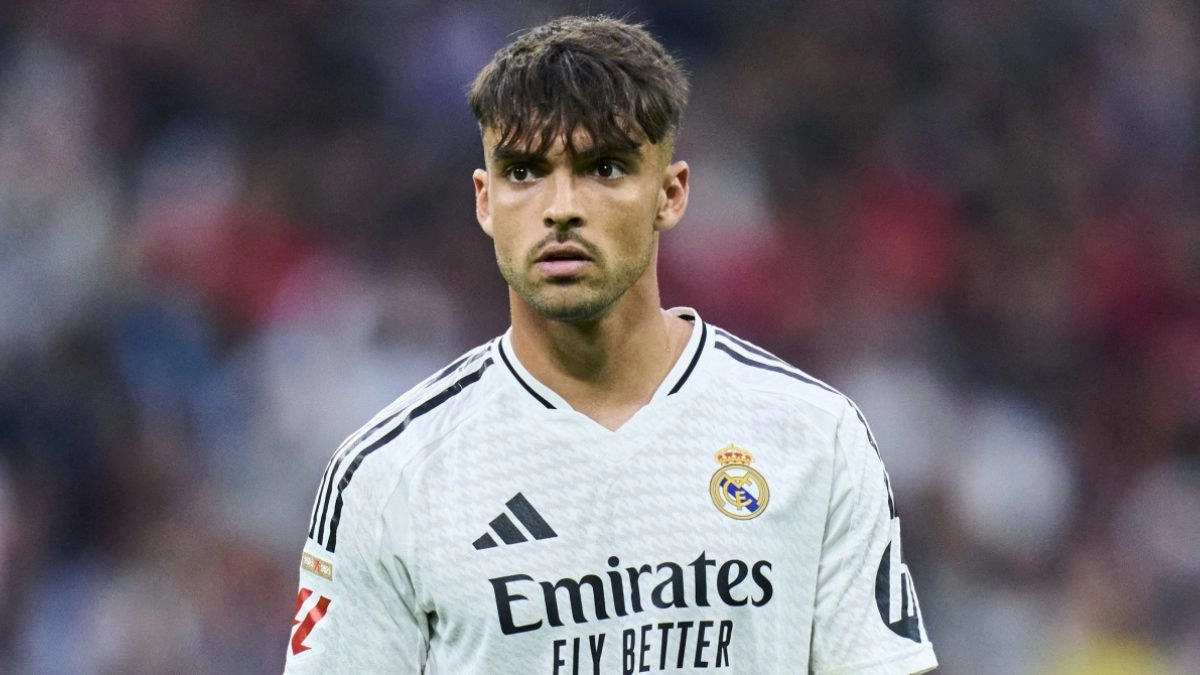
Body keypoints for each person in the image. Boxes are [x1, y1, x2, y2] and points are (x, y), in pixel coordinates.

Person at [285, 15, 937, 674]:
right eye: (524, 171)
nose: (561, 206)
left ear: (670, 193)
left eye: (604, 167)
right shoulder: (389, 475)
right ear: (485, 201)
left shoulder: (812, 437)